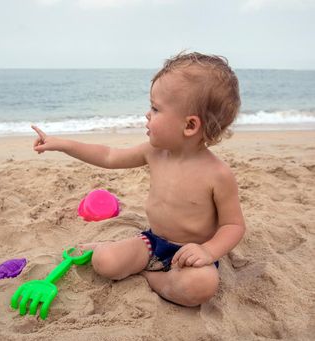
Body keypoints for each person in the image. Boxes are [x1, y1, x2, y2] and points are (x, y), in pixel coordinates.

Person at [31, 52, 246, 307]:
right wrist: (63, 144)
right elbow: (109, 156)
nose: (147, 114)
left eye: (155, 109)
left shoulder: (217, 174)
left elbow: (233, 226)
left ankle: (152, 279)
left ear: (189, 125)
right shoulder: (154, 152)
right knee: (105, 262)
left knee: (202, 286)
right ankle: (149, 270)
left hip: (190, 256)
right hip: (152, 243)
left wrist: (207, 252)